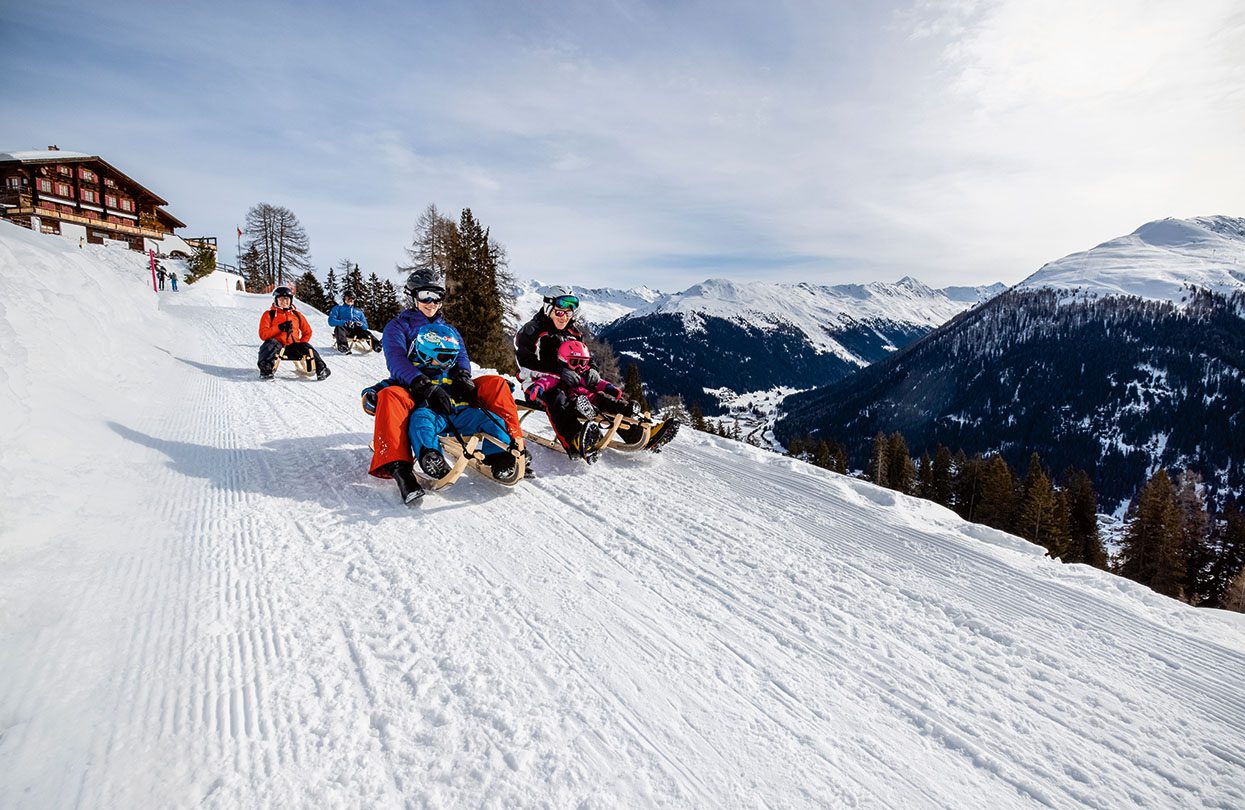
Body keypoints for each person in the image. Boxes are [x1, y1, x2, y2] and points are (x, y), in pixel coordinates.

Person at [368, 270, 522, 504]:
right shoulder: (399, 326)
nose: (432, 303)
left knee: (495, 384)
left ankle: (510, 449)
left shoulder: (449, 329)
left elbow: (461, 356)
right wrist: (424, 385)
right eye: (425, 296)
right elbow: (396, 360)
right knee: (401, 403)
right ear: (413, 296)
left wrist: (462, 376)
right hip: (416, 389)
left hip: (451, 393)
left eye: (437, 297)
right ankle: (405, 468)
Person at [515, 286, 678, 456]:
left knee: (600, 399)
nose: (564, 318)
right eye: (559, 312)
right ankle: (576, 440)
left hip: (574, 385)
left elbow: (586, 356)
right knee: (558, 399)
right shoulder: (532, 331)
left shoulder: (573, 332)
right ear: (548, 308)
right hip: (540, 386)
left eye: (568, 313)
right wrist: (559, 372)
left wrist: (592, 370)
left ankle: (640, 435)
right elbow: (525, 361)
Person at [257, 285, 331, 381]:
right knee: (270, 343)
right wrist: (279, 328)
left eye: (287, 299)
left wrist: (301, 343)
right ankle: (266, 370)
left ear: (291, 300)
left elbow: (307, 332)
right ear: (276, 301)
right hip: (277, 347)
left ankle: (321, 369)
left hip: (292, 346)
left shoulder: (297, 315)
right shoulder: (269, 314)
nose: (284, 302)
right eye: (281, 299)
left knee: (306, 346)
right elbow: (263, 334)